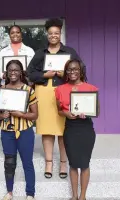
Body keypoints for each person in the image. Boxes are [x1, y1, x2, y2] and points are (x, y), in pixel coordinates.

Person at [27, 18, 85, 179]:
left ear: (60, 34)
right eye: (51, 33)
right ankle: (48, 162)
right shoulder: (41, 53)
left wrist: (64, 74)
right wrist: (45, 75)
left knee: (63, 130)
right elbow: (30, 73)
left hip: (64, 91)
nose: (53, 36)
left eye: (56, 33)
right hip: (44, 93)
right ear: (47, 35)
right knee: (47, 129)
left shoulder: (69, 52)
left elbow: (81, 69)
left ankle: (63, 163)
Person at [55, 59, 99, 200]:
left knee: (84, 164)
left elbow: (97, 112)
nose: (72, 72)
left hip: (85, 128)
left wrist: (86, 112)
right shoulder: (60, 89)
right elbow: (59, 111)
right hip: (70, 128)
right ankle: (74, 195)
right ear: (66, 72)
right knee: (73, 164)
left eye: (75, 69)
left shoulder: (91, 88)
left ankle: (82, 196)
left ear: (81, 71)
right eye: (69, 69)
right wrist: (66, 113)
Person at [0, 60, 38, 200]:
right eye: (10, 70)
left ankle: (30, 194)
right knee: (9, 163)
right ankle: (9, 192)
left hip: (25, 131)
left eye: (16, 70)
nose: (13, 72)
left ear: (21, 72)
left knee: (27, 162)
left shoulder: (28, 90)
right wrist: (3, 116)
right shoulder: (1, 90)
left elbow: (35, 115)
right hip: (7, 131)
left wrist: (21, 114)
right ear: (7, 73)